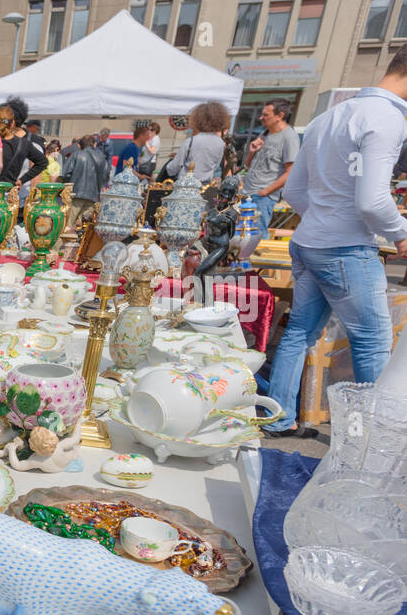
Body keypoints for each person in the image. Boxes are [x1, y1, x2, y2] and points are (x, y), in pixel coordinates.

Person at [261, 50, 407, 437]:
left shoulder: (329, 116)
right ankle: (362, 442)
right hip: (344, 248)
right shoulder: (388, 118)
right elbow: (372, 200)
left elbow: (293, 191)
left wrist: (325, 220)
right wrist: (401, 233)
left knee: (299, 334)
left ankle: (279, 418)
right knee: (372, 342)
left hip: (311, 241)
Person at [241, 98, 300, 230]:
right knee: (241, 238)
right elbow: (248, 166)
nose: (261, 118)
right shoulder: (265, 133)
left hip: (262, 198)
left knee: (256, 237)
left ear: (280, 116)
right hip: (248, 193)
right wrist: (251, 152)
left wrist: (266, 191)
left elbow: (291, 172)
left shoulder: (289, 137)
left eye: (266, 115)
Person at [0, 97, 48, 219]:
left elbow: (36, 179)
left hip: (16, 199)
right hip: (15, 198)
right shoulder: (26, 143)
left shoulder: (31, 143)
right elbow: (42, 163)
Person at [165, 102, 230, 180]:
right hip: (205, 185)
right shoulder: (220, 143)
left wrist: (168, 169)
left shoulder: (191, 140)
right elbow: (215, 166)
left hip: (185, 184)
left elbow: (175, 166)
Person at [60, 134, 108, 230]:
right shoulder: (102, 158)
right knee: (85, 228)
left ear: (80, 145)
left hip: (76, 196)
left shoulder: (77, 155)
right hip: (93, 197)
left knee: (66, 226)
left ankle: (62, 244)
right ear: (94, 144)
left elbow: (65, 174)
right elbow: (105, 177)